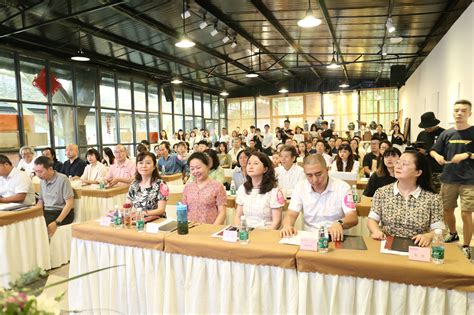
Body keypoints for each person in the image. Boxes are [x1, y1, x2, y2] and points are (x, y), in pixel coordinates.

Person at [367, 151, 444, 247]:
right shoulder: (382, 192)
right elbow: (372, 220)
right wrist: (376, 231)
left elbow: (439, 229)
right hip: (387, 244)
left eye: (405, 164)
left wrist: (428, 236)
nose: (398, 166)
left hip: (417, 247)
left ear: (418, 172)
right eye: (398, 162)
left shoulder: (433, 198)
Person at [431, 100, 473, 259]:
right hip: (448, 178)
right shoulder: (446, 133)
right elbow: (433, 151)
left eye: (463, 111)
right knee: (447, 209)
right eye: (456, 110)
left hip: (469, 180)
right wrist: (437, 156)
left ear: (469, 113)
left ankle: (467, 245)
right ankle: (453, 233)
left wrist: (467, 154)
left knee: (465, 213)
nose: (459, 113)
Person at [280, 154, 358, 241]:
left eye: (318, 174)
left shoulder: (342, 187)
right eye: (309, 175)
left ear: (327, 170)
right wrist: (287, 225)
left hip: (336, 237)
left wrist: (339, 223)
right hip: (310, 237)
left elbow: (353, 217)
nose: (315, 180)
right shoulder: (300, 187)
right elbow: (291, 214)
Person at [234, 152, 283, 229]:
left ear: (265, 169)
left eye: (255, 163)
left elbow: (276, 222)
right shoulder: (242, 189)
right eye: (249, 163)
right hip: (245, 233)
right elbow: (238, 216)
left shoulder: (274, 191)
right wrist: (239, 231)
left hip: (266, 232)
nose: (251, 166)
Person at [34, 156, 74, 237]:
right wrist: (34, 213)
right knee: (30, 223)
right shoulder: (42, 181)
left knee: (40, 226)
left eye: (40, 171)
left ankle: (45, 249)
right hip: (47, 212)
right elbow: (41, 201)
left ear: (50, 169)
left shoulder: (62, 179)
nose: (38, 175)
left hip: (61, 212)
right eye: (36, 171)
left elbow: (69, 203)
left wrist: (57, 222)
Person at [183, 152, 227, 224]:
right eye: (192, 169)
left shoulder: (217, 186)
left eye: (198, 168)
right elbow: (183, 210)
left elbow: (222, 212)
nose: (195, 171)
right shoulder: (188, 187)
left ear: (208, 166)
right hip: (191, 229)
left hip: (210, 229)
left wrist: (213, 228)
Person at [125, 152, 168, 217]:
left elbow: (161, 210)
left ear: (154, 166)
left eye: (148, 163)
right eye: (140, 163)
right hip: (138, 221)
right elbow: (128, 205)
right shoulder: (134, 184)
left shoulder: (161, 184)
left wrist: (143, 213)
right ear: (136, 166)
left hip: (156, 222)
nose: (144, 166)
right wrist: (120, 211)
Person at [416, 111, 445, 193]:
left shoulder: (443, 134)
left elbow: (445, 151)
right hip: (424, 169)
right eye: (425, 128)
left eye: (429, 127)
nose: (426, 129)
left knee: (437, 194)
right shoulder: (422, 134)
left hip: (438, 170)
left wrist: (427, 152)